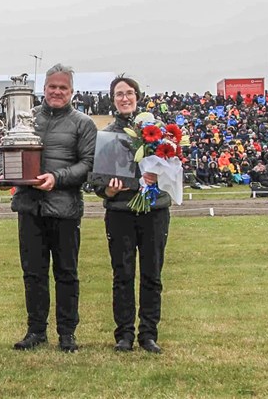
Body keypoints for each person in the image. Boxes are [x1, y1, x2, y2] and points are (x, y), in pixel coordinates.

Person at [8, 64, 97, 353]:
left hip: (65, 209)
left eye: (63, 88)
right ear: (43, 89)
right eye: (52, 87)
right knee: (33, 273)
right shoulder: (25, 119)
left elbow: (87, 164)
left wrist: (56, 179)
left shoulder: (83, 123)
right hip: (30, 208)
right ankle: (36, 331)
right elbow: (8, 152)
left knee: (66, 273)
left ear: (71, 91)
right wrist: (5, 174)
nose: (57, 92)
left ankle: (67, 332)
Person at [93, 76, 172, 354]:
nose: (124, 98)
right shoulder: (106, 134)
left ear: (137, 96)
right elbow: (98, 184)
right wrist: (110, 192)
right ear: (112, 99)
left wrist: (159, 174)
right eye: (119, 94)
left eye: (129, 93)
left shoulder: (159, 131)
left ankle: (148, 334)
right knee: (122, 274)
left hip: (155, 211)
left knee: (152, 274)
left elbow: (173, 169)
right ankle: (124, 334)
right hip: (120, 213)